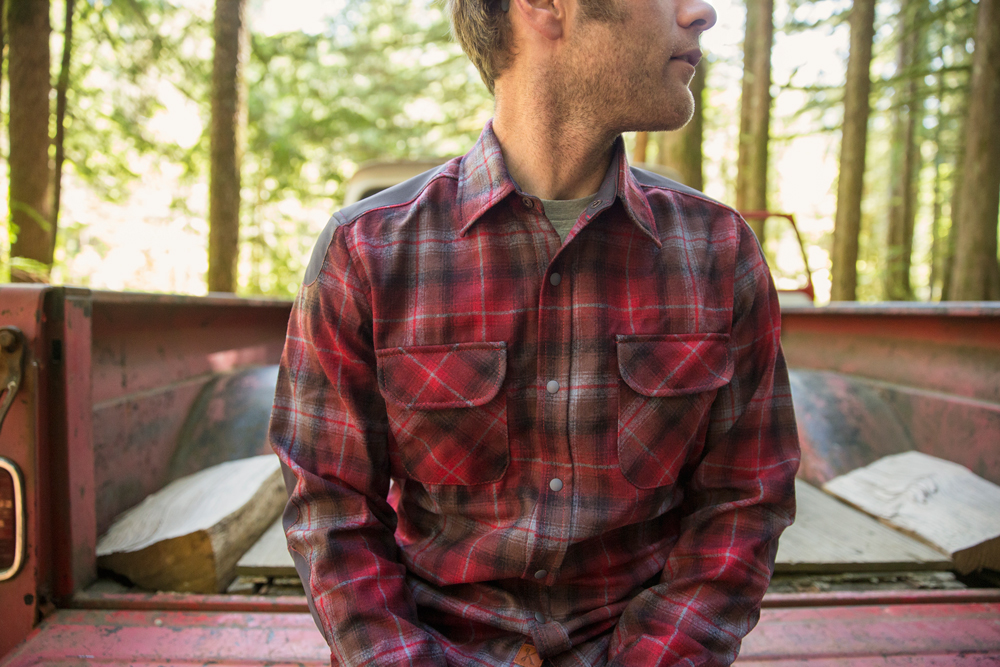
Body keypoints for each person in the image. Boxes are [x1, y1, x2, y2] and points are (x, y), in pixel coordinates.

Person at [268, 0, 800, 664]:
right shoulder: (366, 252)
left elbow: (744, 502)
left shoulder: (719, 252)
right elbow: (331, 509)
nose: (702, 12)